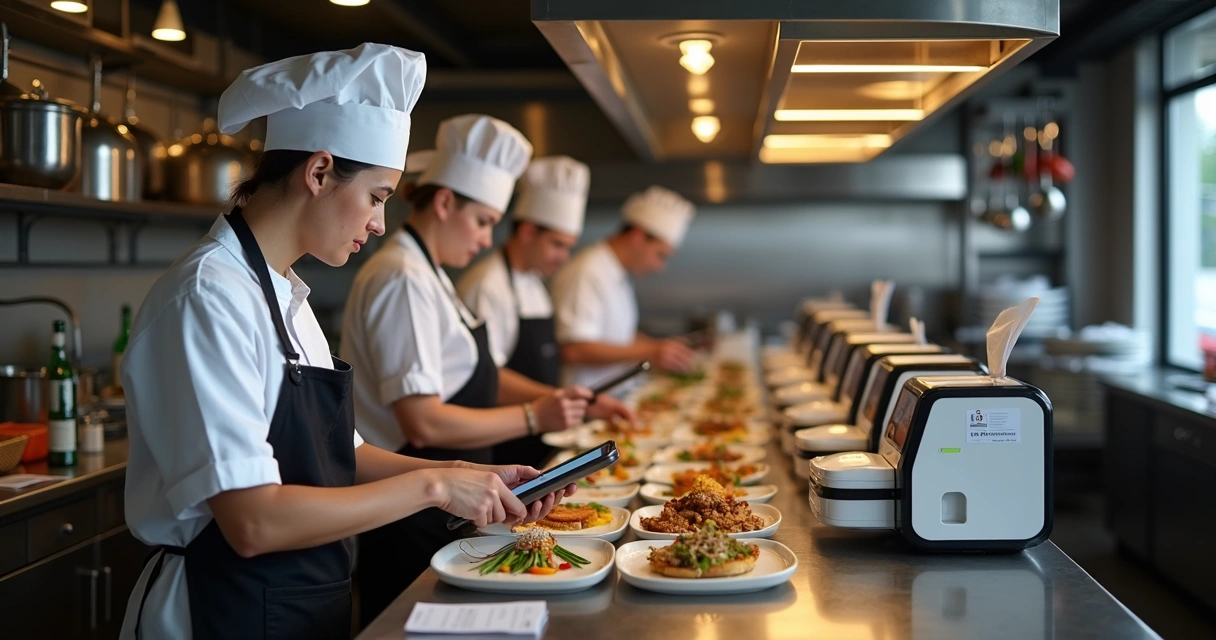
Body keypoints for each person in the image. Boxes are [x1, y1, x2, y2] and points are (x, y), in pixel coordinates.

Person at [118, 46, 570, 639]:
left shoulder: (286, 294)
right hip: (218, 608)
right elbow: (251, 521)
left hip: (299, 600)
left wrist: (469, 478)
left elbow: (347, 456)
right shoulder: (207, 297)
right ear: (320, 172)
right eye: (378, 197)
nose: (381, 224)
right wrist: (432, 484)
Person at [340, 114, 630, 622]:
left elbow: (482, 373)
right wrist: (534, 417)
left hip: (451, 497)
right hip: (410, 508)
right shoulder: (402, 278)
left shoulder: (432, 275)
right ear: (446, 202)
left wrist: (560, 402)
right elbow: (423, 422)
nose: (485, 239)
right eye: (483, 222)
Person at [456, 155, 595, 466]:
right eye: (557, 245)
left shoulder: (534, 282)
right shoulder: (487, 285)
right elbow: (487, 378)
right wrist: (558, 399)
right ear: (528, 231)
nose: (563, 257)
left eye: (568, 247)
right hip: (507, 448)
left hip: (542, 439)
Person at [551, 185, 699, 389]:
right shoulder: (586, 271)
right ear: (638, 236)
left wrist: (662, 348)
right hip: (587, 406)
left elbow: (620, 336)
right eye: (660, 255)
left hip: (613, 398)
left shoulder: (617, 273)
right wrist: (651, 351)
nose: (659, 267)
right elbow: (574, 349)